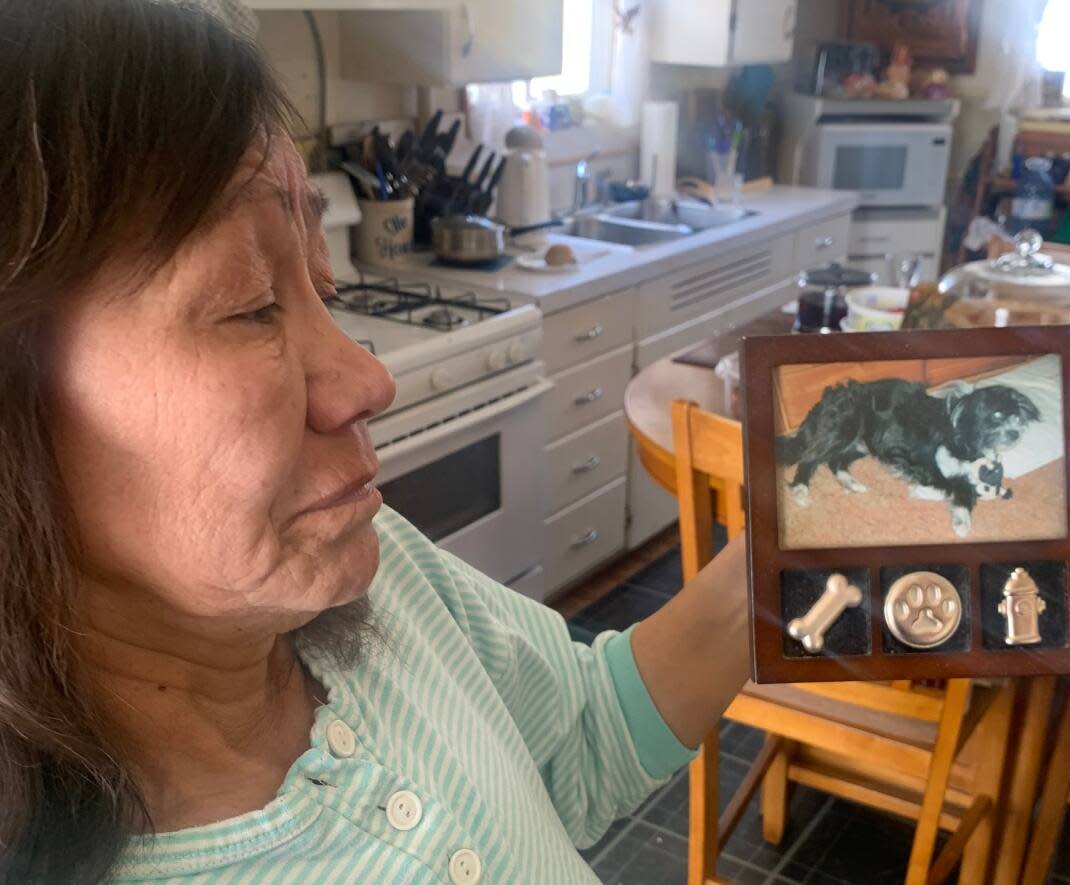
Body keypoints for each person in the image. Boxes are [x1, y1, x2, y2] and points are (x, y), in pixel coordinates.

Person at [0, 2, 749, 882]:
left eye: (323, 283)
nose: (368, 381)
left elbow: (584, 729)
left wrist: (797, 525)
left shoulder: (367, 566)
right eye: (249, 305)